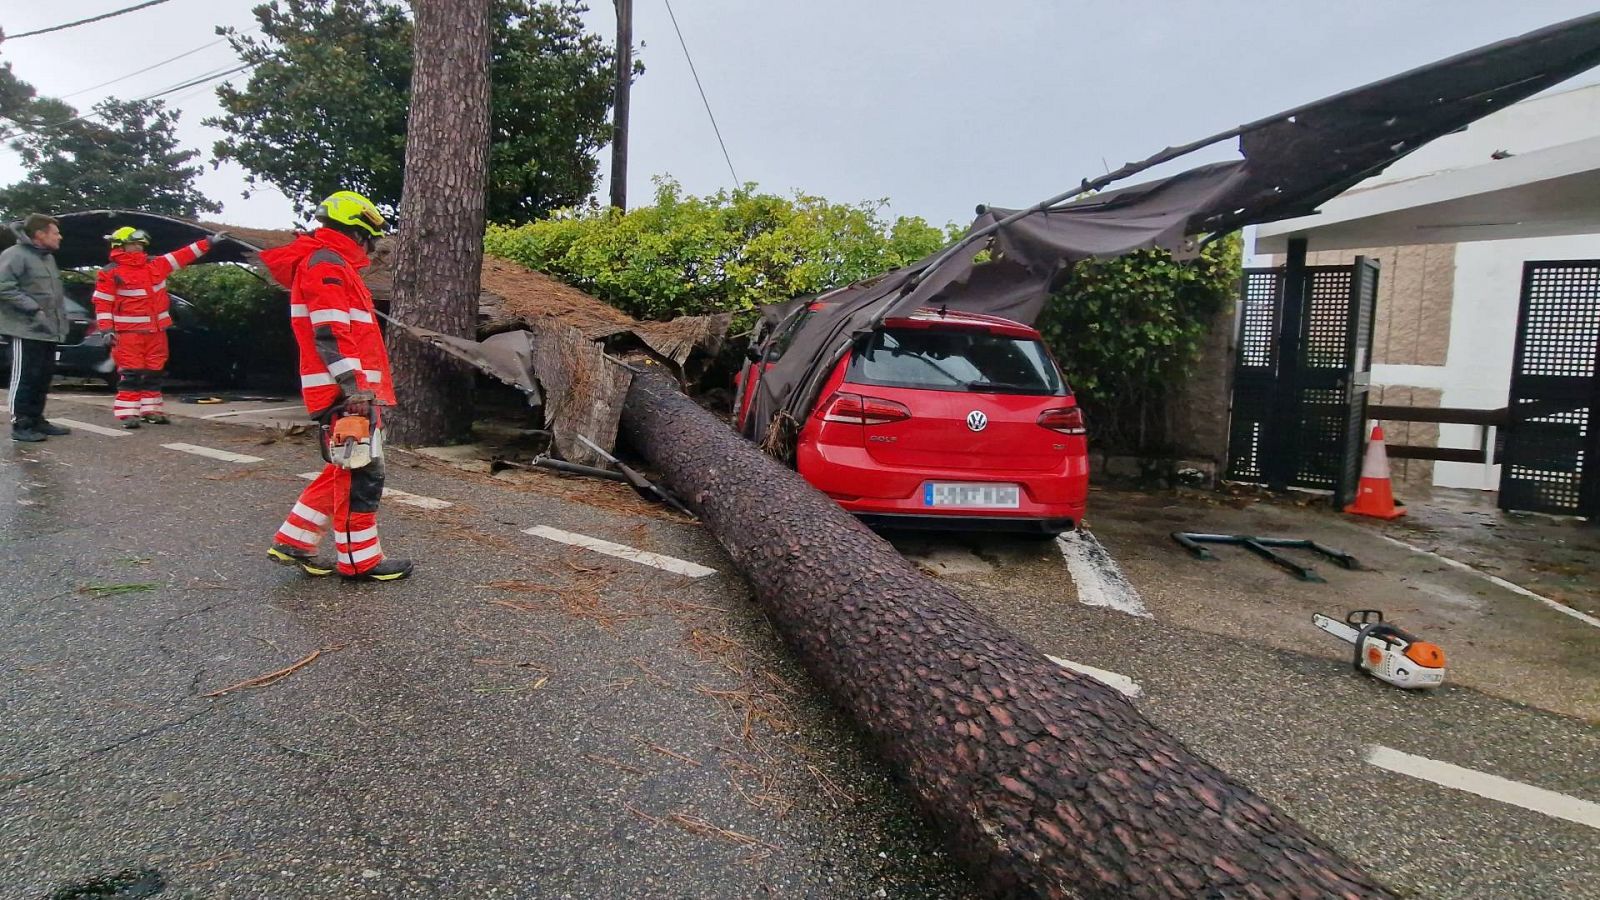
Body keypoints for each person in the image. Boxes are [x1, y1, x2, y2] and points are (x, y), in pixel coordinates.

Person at [259, 190, 412, 582]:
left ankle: (293, 541)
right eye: (370, 237)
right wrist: (354, 387)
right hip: (346, 393)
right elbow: (329, 331)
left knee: (345, 470)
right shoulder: (326, 263)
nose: (373, 247)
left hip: (344, 390)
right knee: (362, 475)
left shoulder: (327, 262)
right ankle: (360, 561)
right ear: (356, 230)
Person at [93, 227, 223, 427]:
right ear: (120, 245)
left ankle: (151, 410)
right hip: (128, 335)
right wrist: (106, 330)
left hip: (156, 332)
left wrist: (208, 242)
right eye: (134, 244)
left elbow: (182, 255)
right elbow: (103, 303)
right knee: (131, 373)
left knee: (154, 372)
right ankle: (128, 414)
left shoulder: (155, 264)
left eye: (141, 244)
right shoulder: (110, 272)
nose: (139, 247)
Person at [0, 213, 72, 443]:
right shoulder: (15, 255)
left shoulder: (47, 258)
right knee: (24, 377)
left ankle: (36, 418)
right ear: (40, 234)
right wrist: (33, 309)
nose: (59, 237)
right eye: (55, 232)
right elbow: (4, 287)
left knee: (42, 376)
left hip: (48, 329)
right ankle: (20, 423)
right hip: (25, 328)